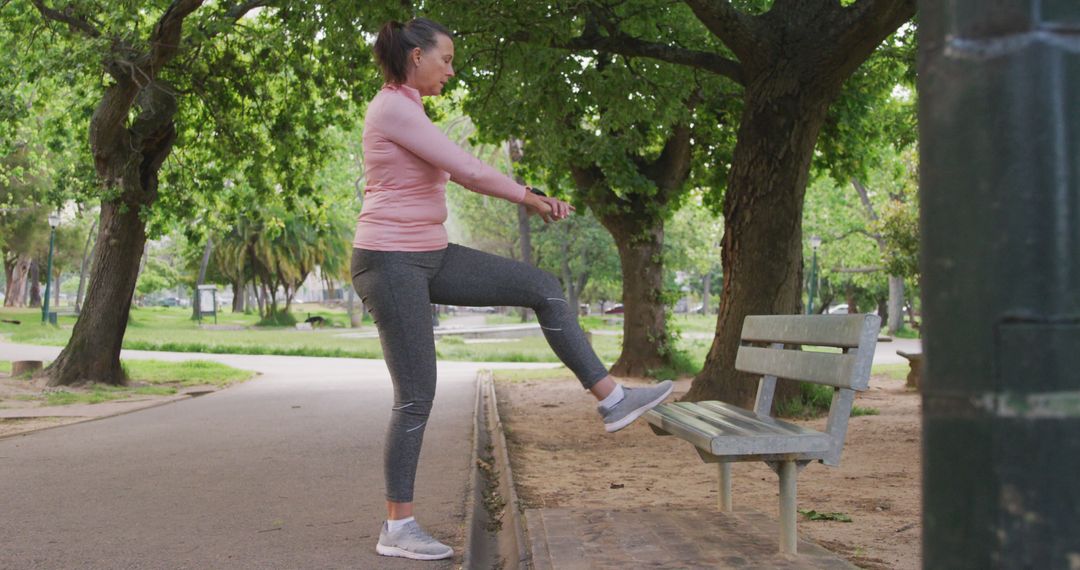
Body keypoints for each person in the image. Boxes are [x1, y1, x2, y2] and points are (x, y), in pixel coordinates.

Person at [353, 18, 674, 561]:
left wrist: (533, 196)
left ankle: (613, 399)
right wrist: (531, 198)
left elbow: (458, 172)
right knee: (415, 397)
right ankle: (398, 526)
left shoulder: (410, 108)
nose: (451, 70)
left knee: (543, 287)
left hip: (431, 254)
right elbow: (467, 171)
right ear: (415, 57)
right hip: (390, 261)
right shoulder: (392, 108)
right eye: (445, 59)